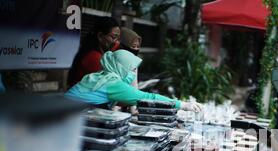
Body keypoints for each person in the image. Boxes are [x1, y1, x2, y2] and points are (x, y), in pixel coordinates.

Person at [65, 49, 202, 113]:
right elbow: (147, 98)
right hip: (66, 119)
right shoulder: (112, 83)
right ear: (121, 68)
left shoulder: (102, 76)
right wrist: (182, 105)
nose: (132, 74)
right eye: (131, 69)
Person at [67, 17, 121, 88]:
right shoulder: (94, 57)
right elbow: (107, 85)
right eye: (113, 37)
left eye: (118, 38)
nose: (116, 42)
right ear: (100, 36)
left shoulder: (95, 52)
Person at [117, 27, 142, 115]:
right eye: (133, 46)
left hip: (125, 107)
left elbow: (134, 86)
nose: (135, 49)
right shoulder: (114, 60)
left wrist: (133, 109)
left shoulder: (134, 62)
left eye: (137, 47)